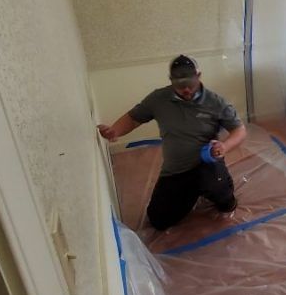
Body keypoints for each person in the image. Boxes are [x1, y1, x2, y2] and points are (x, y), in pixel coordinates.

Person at [98, 55, 246, 229]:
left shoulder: (216, 103)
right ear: (170, 80)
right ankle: (193, 192)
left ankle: (221, 194)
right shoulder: (158, 99)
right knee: (159, 220)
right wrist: (115, 130)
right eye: (179, 86)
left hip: (206, 164)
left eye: (190, 85)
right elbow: (133, 118)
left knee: (224, 203)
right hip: (175, 169)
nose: (186, 91)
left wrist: (224, 146)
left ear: (199, 76)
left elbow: (239, 130)